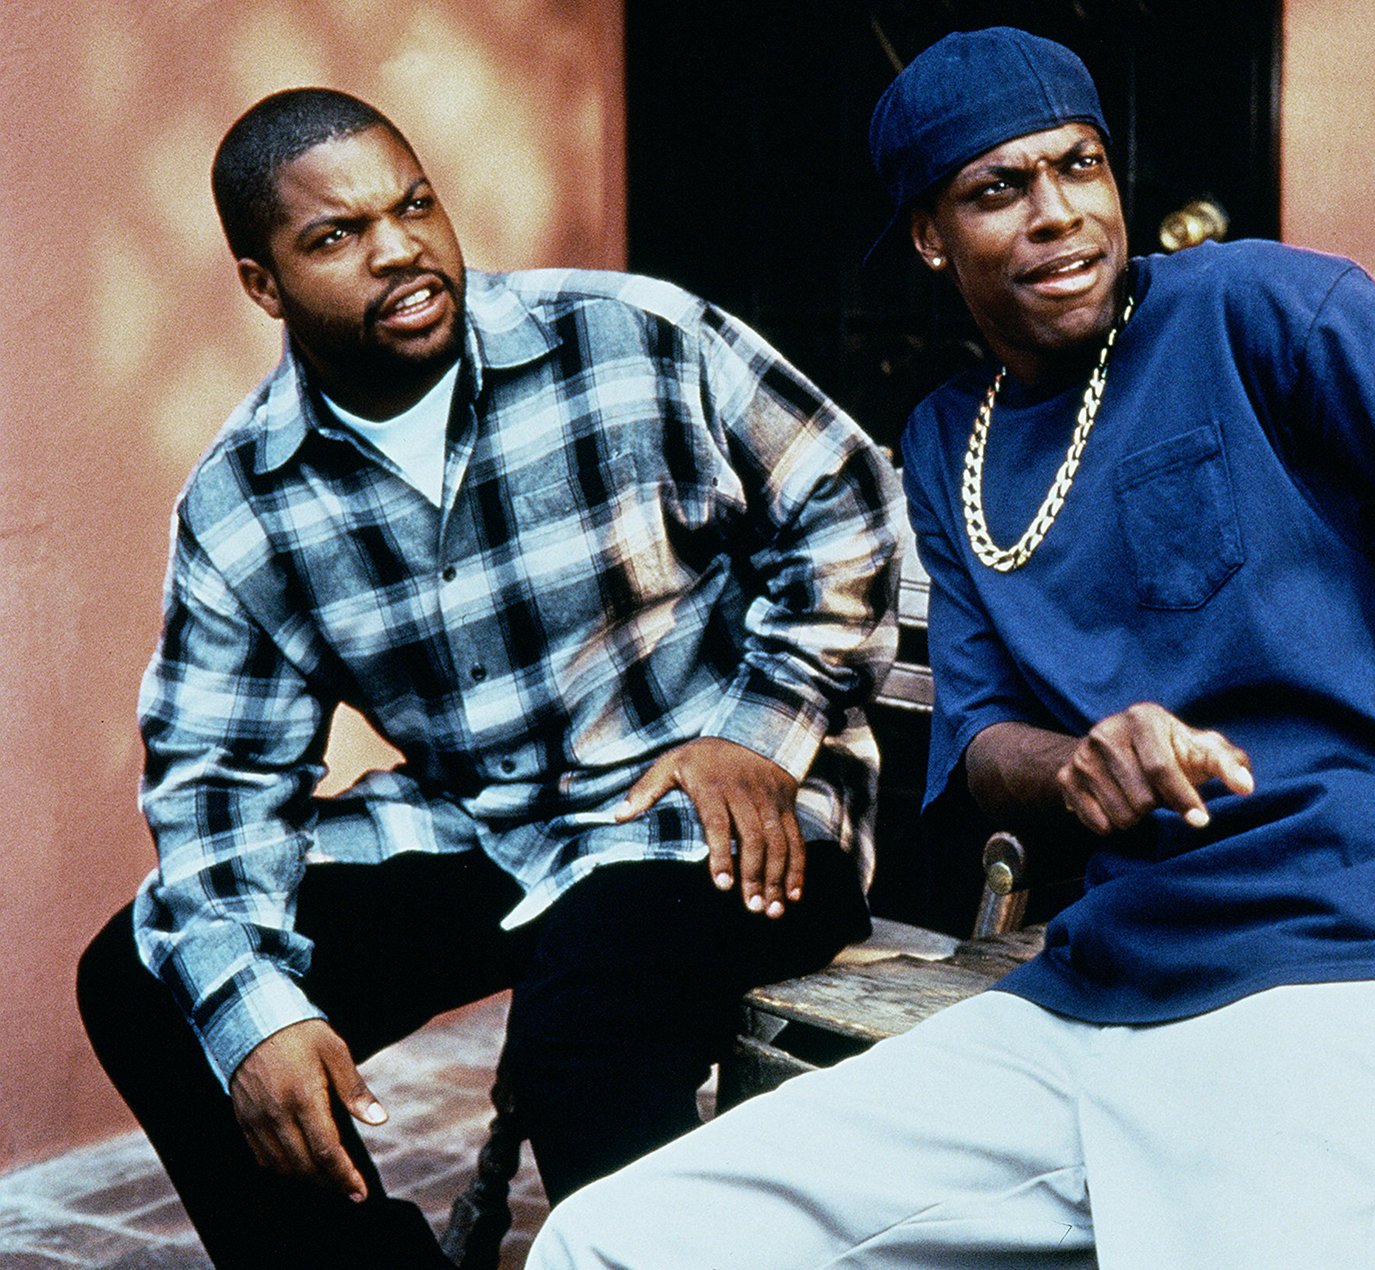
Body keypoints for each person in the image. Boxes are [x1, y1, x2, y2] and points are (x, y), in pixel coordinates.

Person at [529, 28, 1375, 1268]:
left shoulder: (1258, 308)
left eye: (1079, 165)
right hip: (1088, 992)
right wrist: (1079, 766)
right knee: (613, 1238)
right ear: (932, 238)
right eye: (999, 188)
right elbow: (985, 739)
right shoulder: (950, 438)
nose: (1058, 210)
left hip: (1334, 971)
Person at [73, 88, 900, 1269]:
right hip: (490, 826)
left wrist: (762, 728)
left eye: (412, 205)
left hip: (721, 812)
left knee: (584, 1029)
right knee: (156, 985)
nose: (397, 249)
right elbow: (219, 783)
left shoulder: (630, 336)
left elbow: (846, 501)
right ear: (264, 285)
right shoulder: (243, 499)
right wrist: (256, 1015)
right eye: (336, 235)